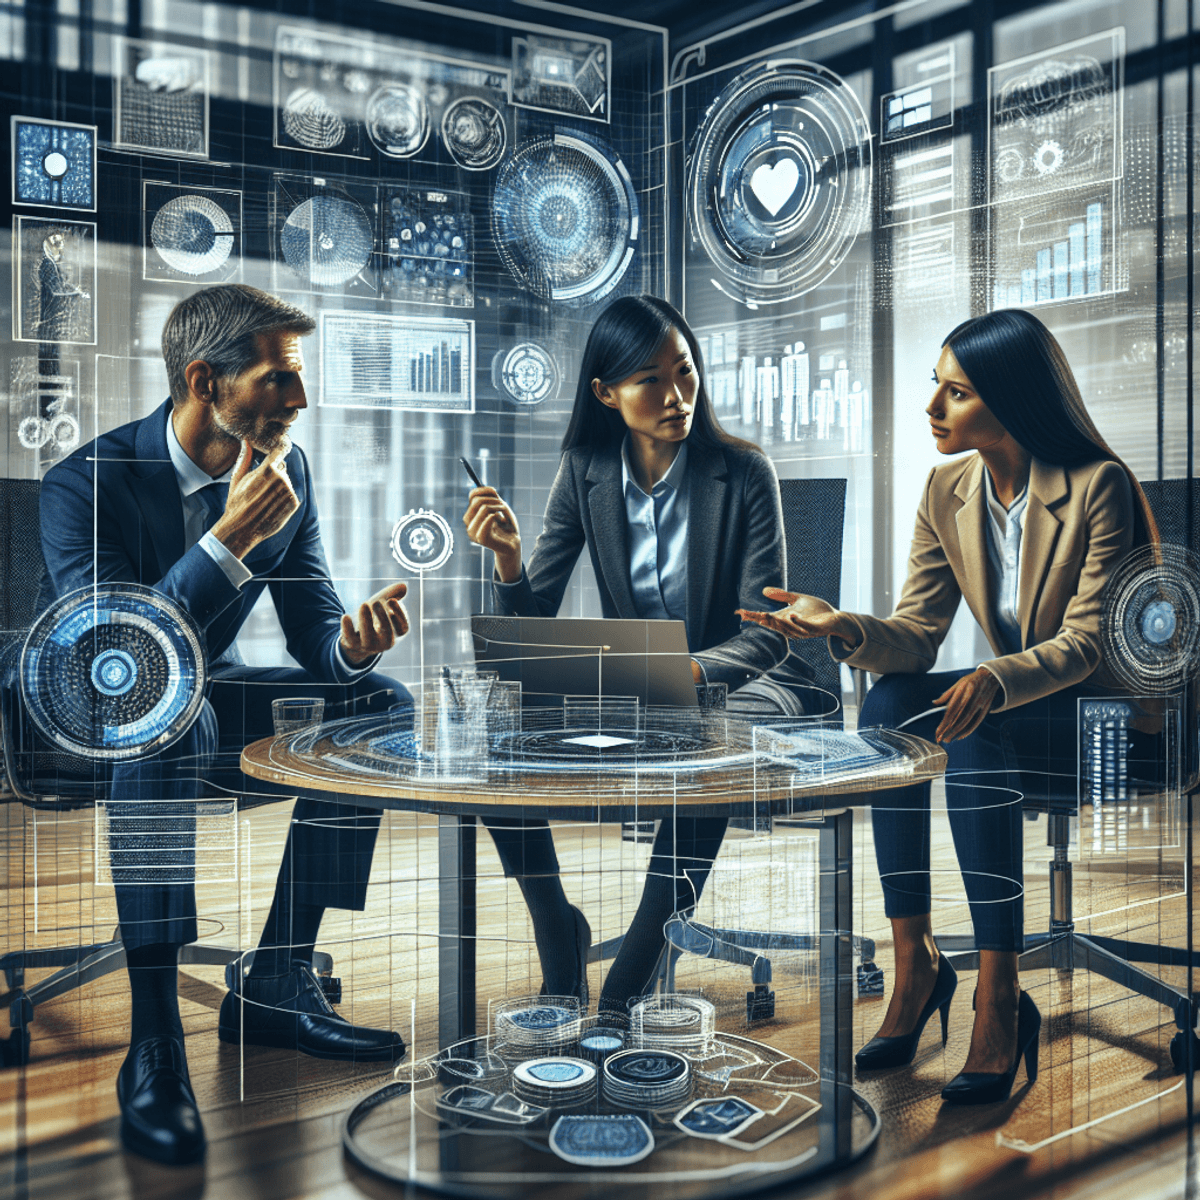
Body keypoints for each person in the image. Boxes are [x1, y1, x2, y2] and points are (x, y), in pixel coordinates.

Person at [740, 308, 1157, 1105]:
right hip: (1023, 707)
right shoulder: (947, 487)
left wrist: (995, 681)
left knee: (977, 724)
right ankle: (918, 962)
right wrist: (844, 628)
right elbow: (919, 636)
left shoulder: (1097, 486)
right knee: (893, 703)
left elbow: (1091, 645)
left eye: (956, 393)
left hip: (1108, 722)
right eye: (937, 385)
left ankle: (999, 995)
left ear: (1013, 400)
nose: (934, 408)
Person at [38, 284, 414, 1165]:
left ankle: (279, 976)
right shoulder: (83, 484)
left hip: (205, 702)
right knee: (169, 718)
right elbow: (114, 655)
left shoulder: (290, 472)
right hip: (94, 715)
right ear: (207, 381)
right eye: (280, 380)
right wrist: (225, 546)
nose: (301, 400)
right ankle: (157, 1035)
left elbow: (314, 631)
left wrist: (351, 649)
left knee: (381, 709)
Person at [463, 294, 810, 1021]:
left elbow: (771, 630)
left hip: (741, 681)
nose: (677, 395)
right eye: (650, 380)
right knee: (492, 729)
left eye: (684, 371)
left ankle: (630, 979)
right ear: (606, 392)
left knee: (707, 743)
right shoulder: (586, 471)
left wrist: (694, 672)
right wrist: (507, 560)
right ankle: (556, 923)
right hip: (639, 682)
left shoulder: (744, 472)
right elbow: (527, 632)